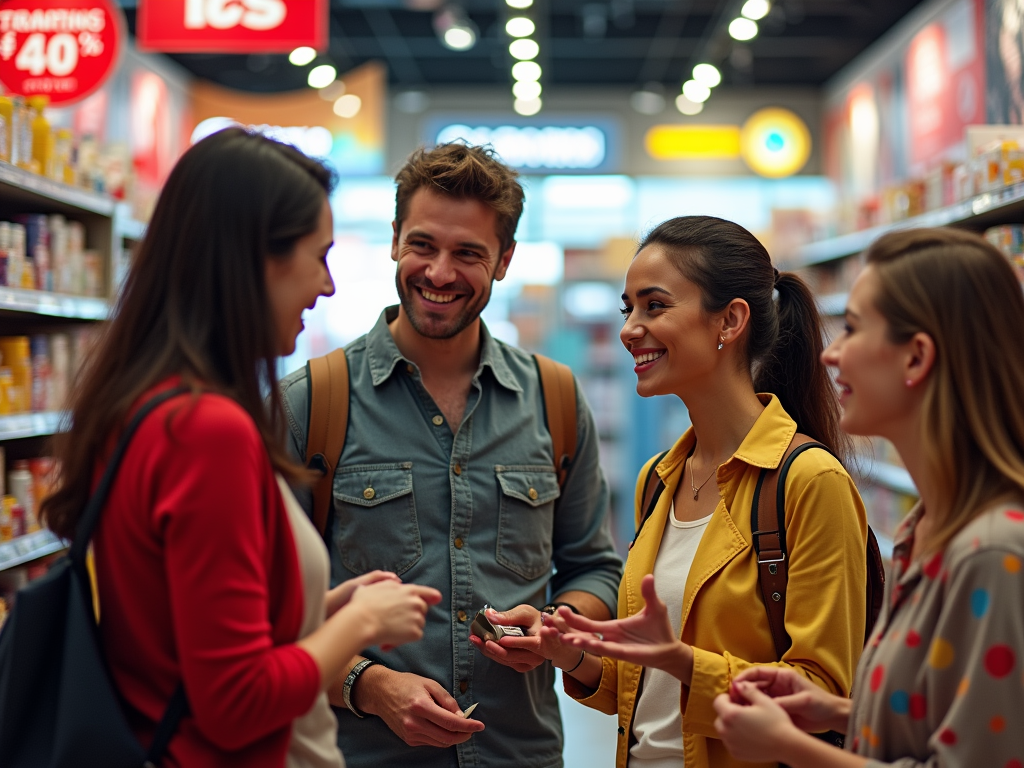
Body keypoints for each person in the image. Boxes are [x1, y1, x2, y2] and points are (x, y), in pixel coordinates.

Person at [39, 128, 441, 768]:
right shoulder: (207, 432)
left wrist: (316, 607)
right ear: (256, 258)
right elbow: (235, 702)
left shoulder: (143, 404)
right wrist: (361, 626)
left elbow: (176, 630)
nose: (328, 285)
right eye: (319, 255)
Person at [279, 142, 623, 768]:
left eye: (468, 253)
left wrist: (555, 628)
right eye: (423, 245)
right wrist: (369, 685)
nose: (439, 273)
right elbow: (269, 613)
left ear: (505, 260)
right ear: (393, 240)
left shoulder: (555, 399)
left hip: (518, 752)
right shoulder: (311, 403)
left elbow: (595, 566)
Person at [538, 215, 870, 768]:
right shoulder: (658, 480)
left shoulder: (811, 483)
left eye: (655, 306)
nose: (629, 328)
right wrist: (574, 654)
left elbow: (825, 692)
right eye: (629, 308)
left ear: (730, 320)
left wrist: (687, 663)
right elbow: (647, 686)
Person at [712, 227, 1024, 768]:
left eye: (853, 329)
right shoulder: (925, 527)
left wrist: (790, 749)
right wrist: (836, 712)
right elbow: (942, 717)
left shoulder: (992, 554)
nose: (832, 355)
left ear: (916, 358)